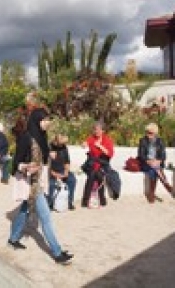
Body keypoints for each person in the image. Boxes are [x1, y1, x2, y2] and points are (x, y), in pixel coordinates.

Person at [8, 112, 74, 265]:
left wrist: (48, 156)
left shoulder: (42, 137)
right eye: (44, 120)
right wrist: (26, 167)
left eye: (48, 120)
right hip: (31, 183)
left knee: (25, 209)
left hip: (39, 181)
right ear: (37, 121)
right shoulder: (25, 137)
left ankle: (13, 239)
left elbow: (42, 158)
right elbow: (16, 162)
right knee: (46, 217)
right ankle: (57, 253)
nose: (47, 122)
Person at [82, 122, 114, 208]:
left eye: (97, 130)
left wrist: (100, 146)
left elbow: (110, 154)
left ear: (103, 131)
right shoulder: (91, 138)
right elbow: (85, 144)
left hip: (102, 164)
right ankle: (97, 200)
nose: (95, 131)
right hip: (91, 163)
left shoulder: (107, 140)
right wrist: (84, 144)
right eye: (94, 129)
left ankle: (88, 200)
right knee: (94, 173)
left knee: (96, 174)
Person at [138, 123, 172, 203]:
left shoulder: (160, 141)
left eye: (150, 133)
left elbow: (163, 155)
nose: (148, 134)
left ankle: (151, 193)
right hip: (146, 163)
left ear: (155, 133)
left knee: (154, 170)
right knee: (154, 169)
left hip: (157, 163)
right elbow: (141, 155)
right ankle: (165, 183)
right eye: (147, 132)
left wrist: (158, 161)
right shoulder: (143, 140)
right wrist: (148, 161)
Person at [48, 134, 77, 210]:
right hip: (51, 172)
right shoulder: (49, 148)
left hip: (62, 170)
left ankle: (70, 202)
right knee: (51, 184)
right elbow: (47, 166)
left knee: (72, 180)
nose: (62, 145)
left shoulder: (64, 147)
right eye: (61, 143)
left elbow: (67, 162)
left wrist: (66, 171)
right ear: (56, 142)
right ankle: (50, 203)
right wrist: (56, 174)